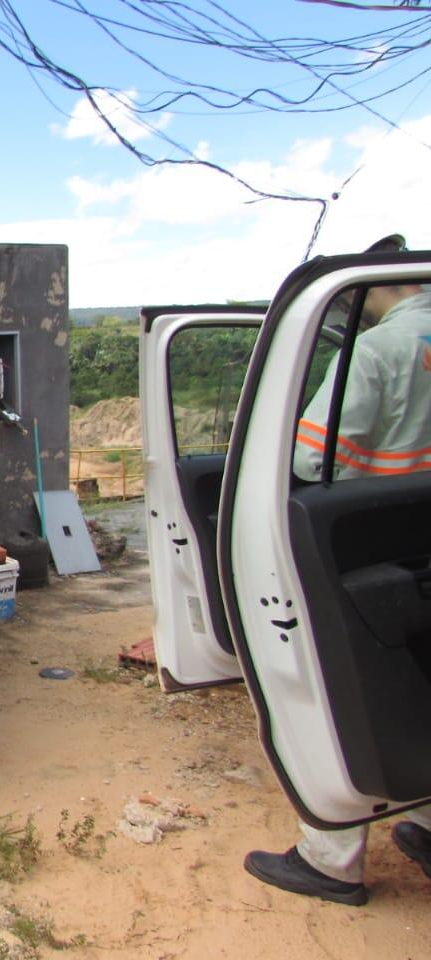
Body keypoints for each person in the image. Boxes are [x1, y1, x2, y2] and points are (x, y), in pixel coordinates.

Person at [246, 244, 431, 905]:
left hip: (370, 547)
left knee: (331, 692)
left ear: (372, 292)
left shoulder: (376, 351)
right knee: (419, 688)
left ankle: (330, 860)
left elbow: (310, 456)